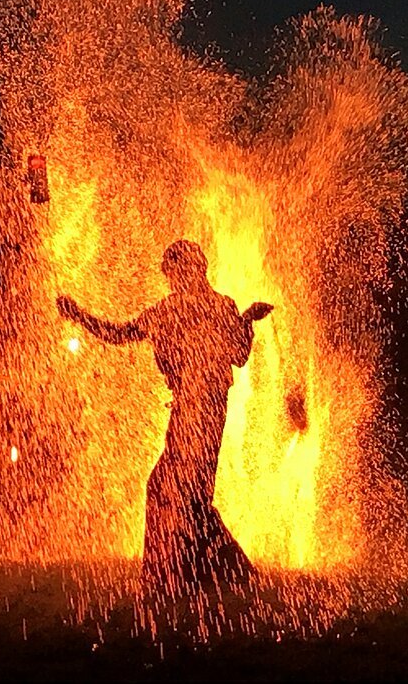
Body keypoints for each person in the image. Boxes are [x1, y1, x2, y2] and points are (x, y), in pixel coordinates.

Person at [56, 240, 273, 599]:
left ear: (191, 269)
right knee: (181, 493)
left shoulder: (209, 308)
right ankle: (206, 575)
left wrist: (246, 320)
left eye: (174, 271)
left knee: (177, 492)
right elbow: (122, 334)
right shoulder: (190, 309)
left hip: (201, 410)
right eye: (171, 273)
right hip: (195, 408)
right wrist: (246, 318)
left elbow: (235, 354)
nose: (173, 279)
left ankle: (186, 576)